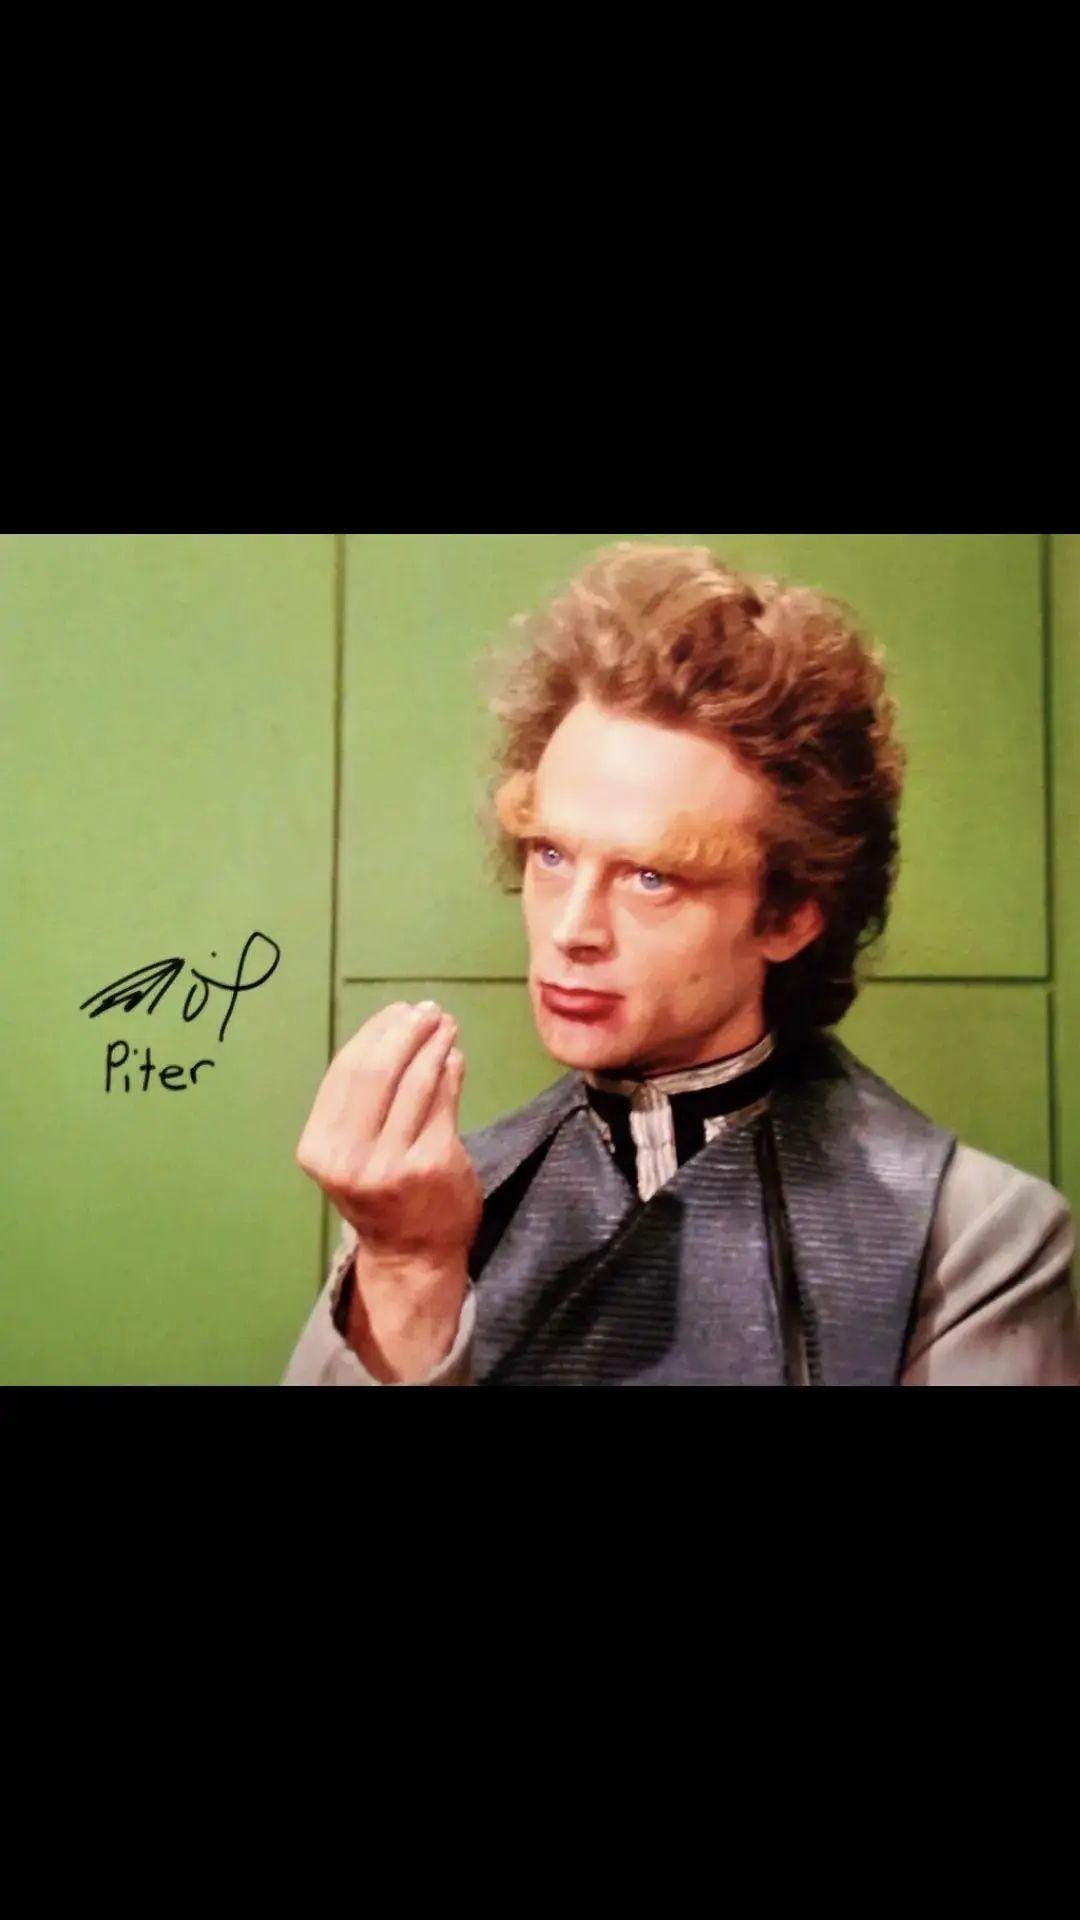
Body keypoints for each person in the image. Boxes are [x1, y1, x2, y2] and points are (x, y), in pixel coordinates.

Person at [284, 543, 1080, 1387]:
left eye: (651, 877)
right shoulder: (425, 1207)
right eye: (552, 855)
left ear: (789, 915)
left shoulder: (968, 1238)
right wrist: (407, 1270)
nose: (572, 930)